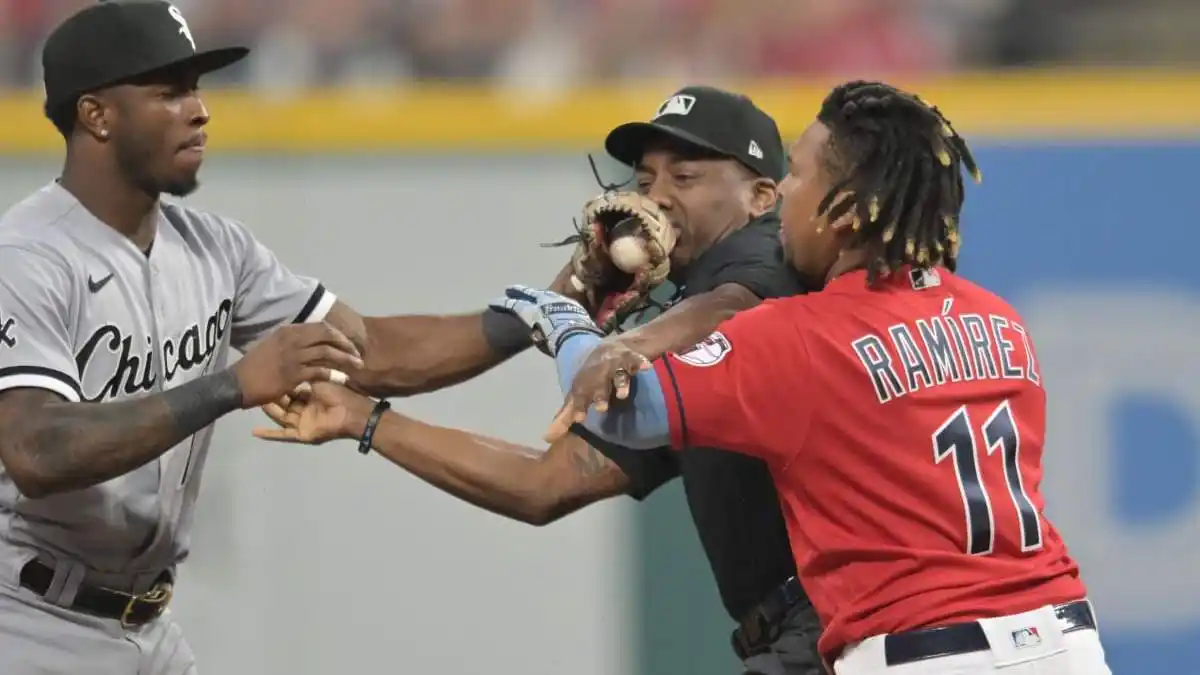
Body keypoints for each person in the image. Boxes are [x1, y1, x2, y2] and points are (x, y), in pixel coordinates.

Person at [0, 2, 576, 672]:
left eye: (198, 87)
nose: (199, 110)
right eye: (169, 91)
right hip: (29, 622)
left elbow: (372, 353)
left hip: (148, 627)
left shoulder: (214, 247)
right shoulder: (29, 257)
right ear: (96, 115)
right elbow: (36, 450)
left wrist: (541, 310)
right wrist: (233, 385)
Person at [487, 81, 1113, 674]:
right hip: (1066, 640)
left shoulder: (801, 335)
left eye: (800, 171)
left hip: (925, 650)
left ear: (847, 209)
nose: (784, 189)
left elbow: (624, 413)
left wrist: (566, 320)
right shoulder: (998, 320)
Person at [254, 86, 825, 675]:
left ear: (761, 196)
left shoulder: (770, 261)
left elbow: (738, 305)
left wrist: (625, 342)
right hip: (799, 631)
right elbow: (544, 483)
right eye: (645, 178)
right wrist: (365, 419)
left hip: (835, 623)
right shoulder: (681, 340)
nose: (656, 196)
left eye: (685, 177)